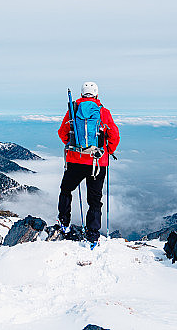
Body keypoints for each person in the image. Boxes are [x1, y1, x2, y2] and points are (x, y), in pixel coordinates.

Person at [57, 81, 120, 246]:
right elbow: (114, 135)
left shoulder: (73, 110)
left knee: (66, 190)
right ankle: (92, 234)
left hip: (74, 160)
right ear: (97, 94)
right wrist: (109, 150)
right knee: (94, 200)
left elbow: (63, 132)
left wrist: (73, 146)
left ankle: (64, 223)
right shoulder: (103, 112)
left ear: (82, 94)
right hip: (97, 162)